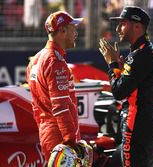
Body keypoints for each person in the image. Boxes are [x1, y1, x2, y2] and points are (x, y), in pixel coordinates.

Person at [99, 6, 153, 167]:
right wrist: (122, 71)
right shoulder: (151, 51)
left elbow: (118, 92)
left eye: (122, 24)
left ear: (136, 26)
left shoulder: (140, 56)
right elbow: (141, 85)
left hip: (135, 123)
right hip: (145, 121)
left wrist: (113, 65)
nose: (117, 28)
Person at [26, 11, 89, 164]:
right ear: (62, 31)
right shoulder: (55, 61)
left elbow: (36, 106)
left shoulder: (35, 59)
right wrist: (70, 140)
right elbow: (60, 106)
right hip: (60, 136)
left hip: (47, 132)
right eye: (73, 28)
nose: (76, 32)